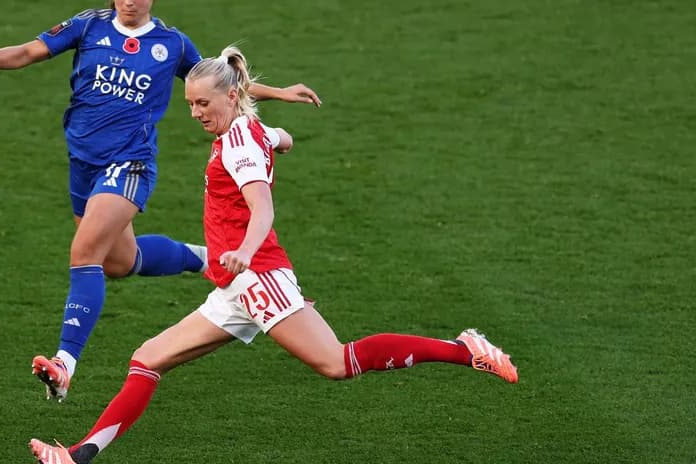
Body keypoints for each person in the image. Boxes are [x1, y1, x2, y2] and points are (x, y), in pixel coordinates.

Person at [27, 45, 518, 464]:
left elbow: (262, 205)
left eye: (203, 104)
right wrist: (279, 133)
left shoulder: (238, 142)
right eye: (191, 105)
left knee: (336, 362)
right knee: (147, 359)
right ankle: (76, 456)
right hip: (234, 286)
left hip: (256, 275)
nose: (195, 113)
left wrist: (243, 249)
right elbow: (285, 138)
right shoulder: (248, 129)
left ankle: (465, 349)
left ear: (231, 96)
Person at [0, 0, 322, 402]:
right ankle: (205, 257)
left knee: (85, 252)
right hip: (83, 164)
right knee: (118, 263)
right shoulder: (88, 26)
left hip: (130, 163)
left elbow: (221, 82)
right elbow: (29, 51)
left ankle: (64, 364)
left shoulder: (171, 43)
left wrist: (279, 93)